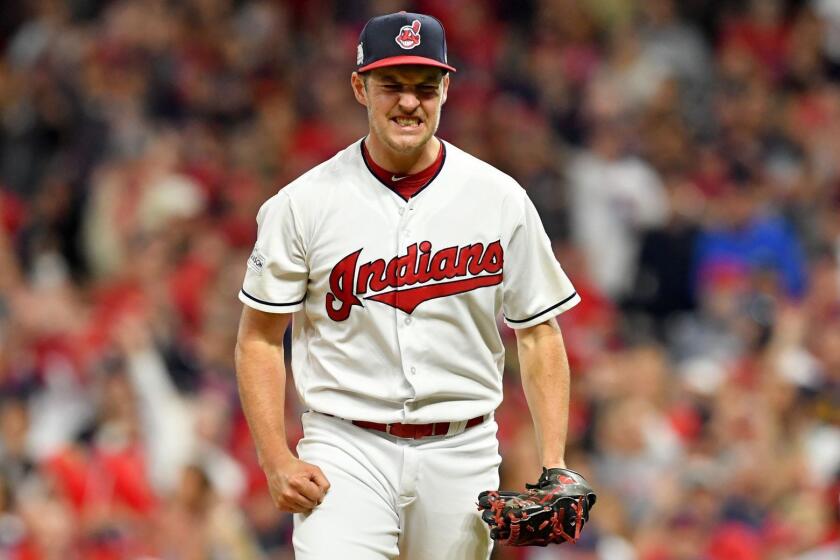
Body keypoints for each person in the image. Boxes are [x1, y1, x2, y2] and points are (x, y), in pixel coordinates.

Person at [234, 11, 581, 559]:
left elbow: (539, 332)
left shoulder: (500, 198)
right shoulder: (303, 203)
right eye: (391, 85)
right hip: (345, 446)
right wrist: (275, 456)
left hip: (463, 450)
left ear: (446, 88)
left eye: (424, 87)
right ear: (359, 87)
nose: (408, 103)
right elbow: (258, 337)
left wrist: (554, 463)